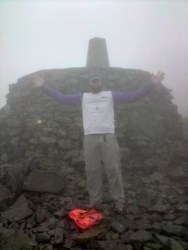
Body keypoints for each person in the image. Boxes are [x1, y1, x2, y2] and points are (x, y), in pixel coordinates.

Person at [32, 71, 164, 213]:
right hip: (90, 137)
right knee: (92, 170)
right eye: (93, 81)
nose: (95, 82)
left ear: (101, 82)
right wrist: (43, 86)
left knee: (113, 169)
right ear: (89, 83)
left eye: (97, 80)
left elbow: (132, 97)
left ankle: (118, 200)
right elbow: (62, 98)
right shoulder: (83, 97)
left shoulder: (110, 95)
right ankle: (95, 200)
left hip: (108, 135)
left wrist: (152, 84)